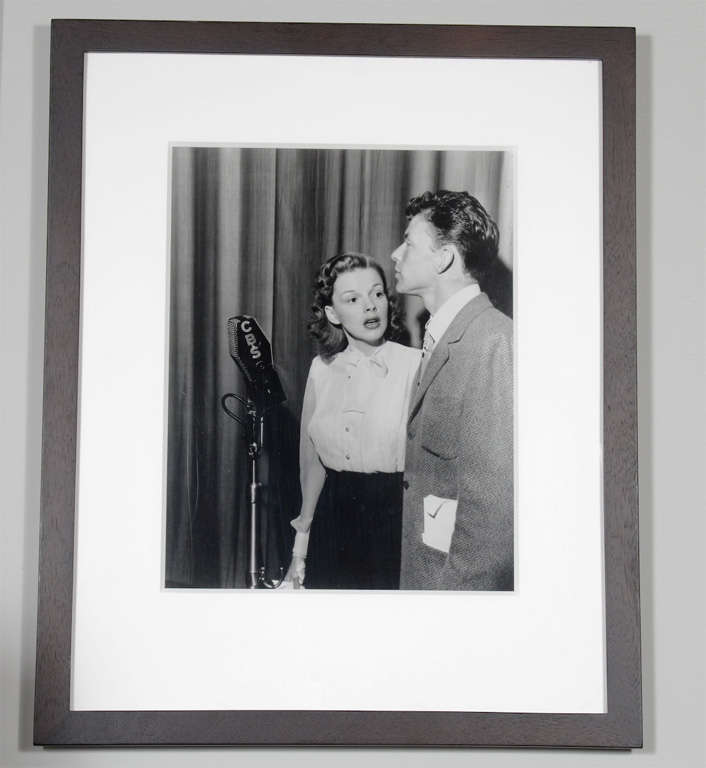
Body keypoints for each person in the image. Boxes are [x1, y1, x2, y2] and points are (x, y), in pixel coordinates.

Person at [390, 190, 514, 590]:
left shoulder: (494, 341)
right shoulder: (442, 335)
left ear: (443, 258)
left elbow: (493, 519)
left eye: (408, 243)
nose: (395, 254)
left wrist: (452, 613)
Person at [285, 253, 420, 589]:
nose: (370, 307)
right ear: (332, 313)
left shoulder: (416, 365)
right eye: (353, 299)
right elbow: (311, 464)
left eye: (377, 294)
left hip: (396, 520)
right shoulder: (321, 368)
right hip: (334, 519)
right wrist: (299, 550)